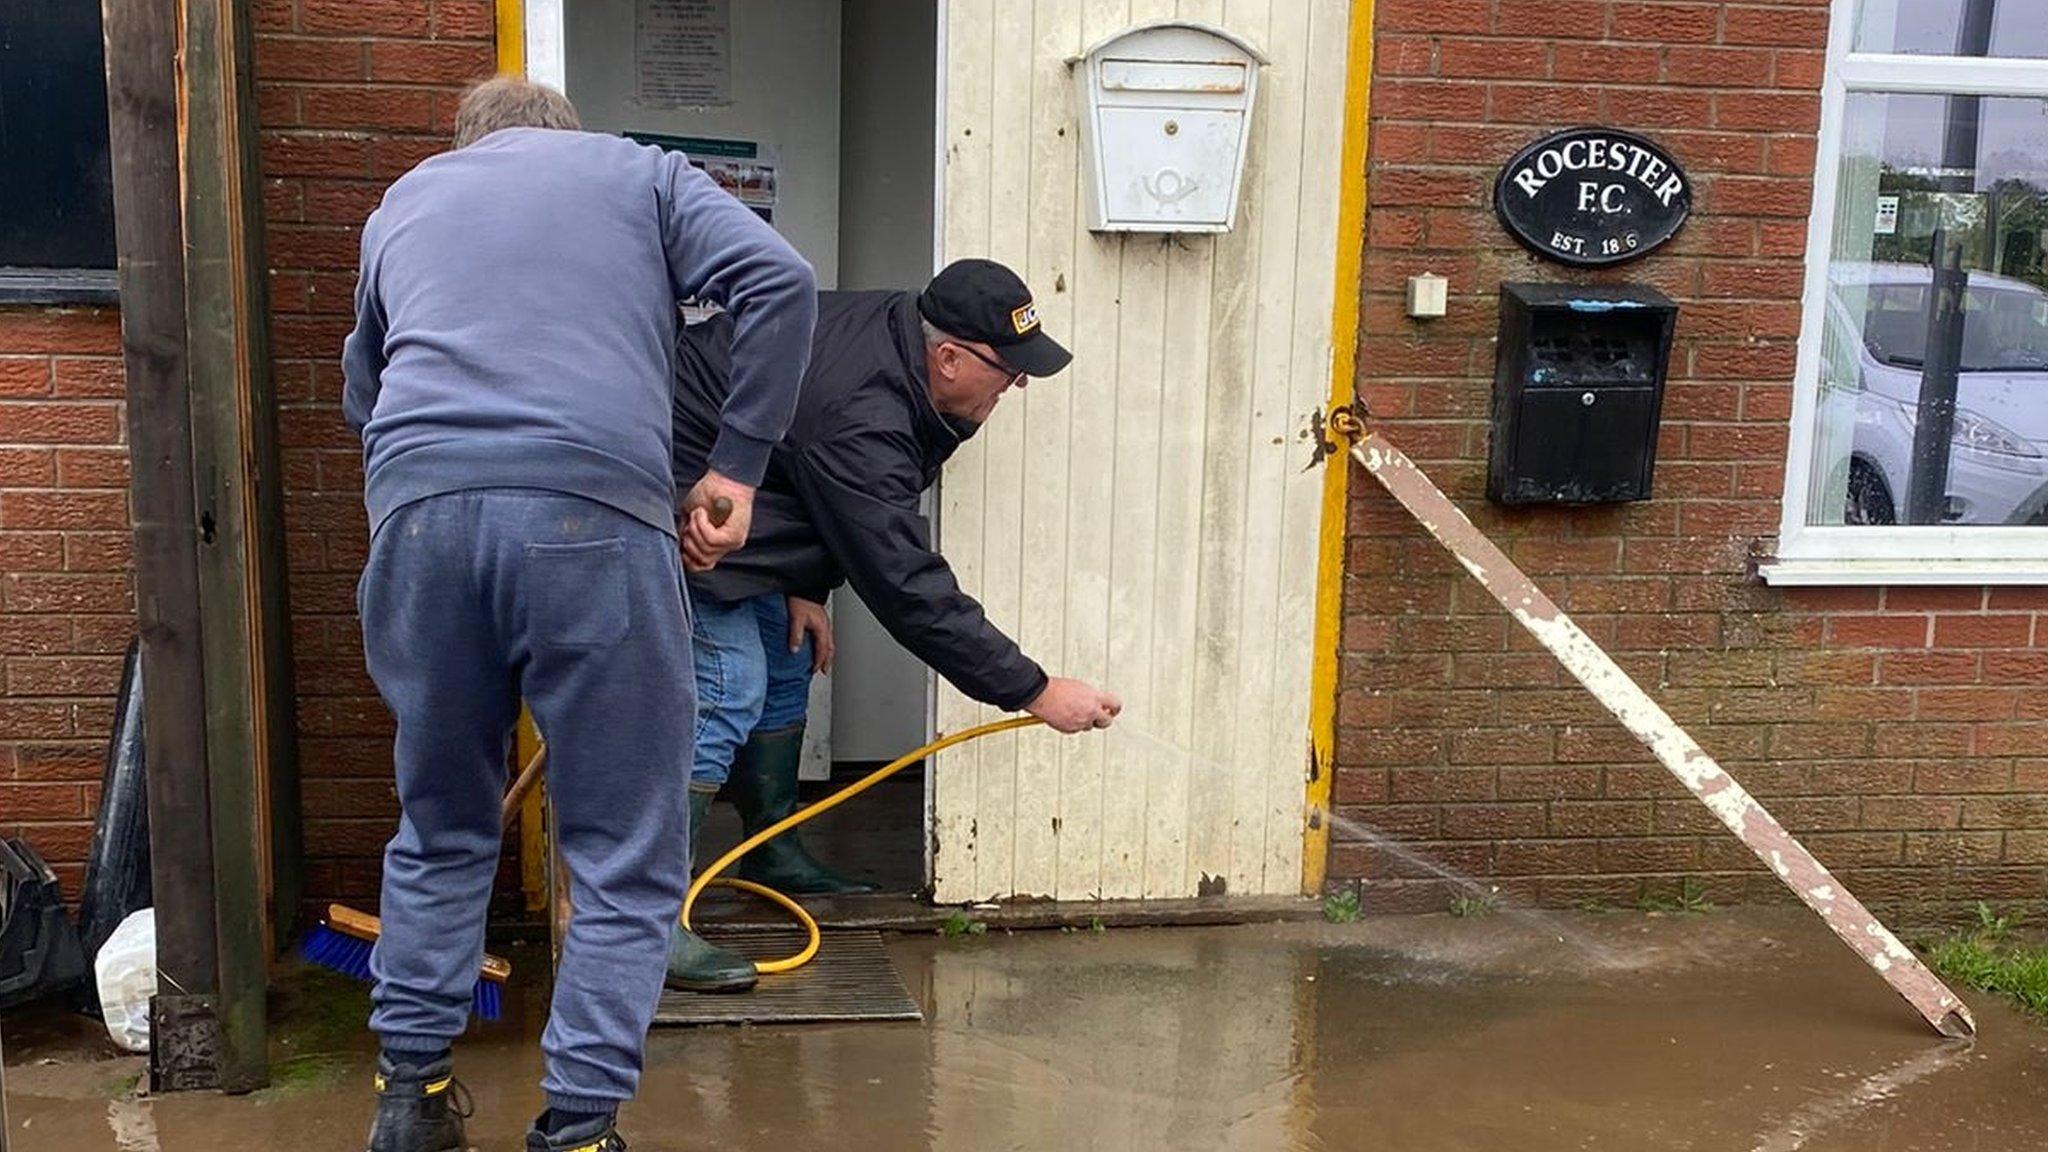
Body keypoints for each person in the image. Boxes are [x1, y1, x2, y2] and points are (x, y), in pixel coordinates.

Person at [342, 77, 816, 1152]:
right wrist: (732, 474)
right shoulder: (637, 174)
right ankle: (579, 1129)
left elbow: (364, 397)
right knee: (619, 849)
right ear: (567, 136)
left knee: (442, 826)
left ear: (469, 147)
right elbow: (779, 283)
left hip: (419, 524)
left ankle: (409, 1103)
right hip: (592, 519)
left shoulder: (404, 201)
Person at [664, 260, 1122, 991]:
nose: (1017, 387)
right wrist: (1033, 690)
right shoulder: (863, 411)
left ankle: (771, 851)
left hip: (749, 493)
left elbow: (807, 472)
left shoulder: (899, 339)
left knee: (785, 668)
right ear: (948, 356)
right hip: (683, 503)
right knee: (727, 690)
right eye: (1010, 373)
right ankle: (648, 926)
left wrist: (803, 582)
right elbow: (904, 583)